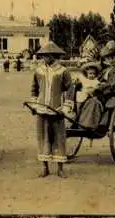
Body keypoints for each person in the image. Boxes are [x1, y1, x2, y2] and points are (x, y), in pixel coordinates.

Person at [30, 41, 76, 178]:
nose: (45, 58)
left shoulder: (63, 71)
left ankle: (60, 168)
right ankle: (45, 167)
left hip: (57, 108)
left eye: (47, 55)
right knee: (43, 137)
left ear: (53, 56)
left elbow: (70, 89)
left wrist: (66, 107)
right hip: (42, 108)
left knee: (59, 137)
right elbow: (34, 88)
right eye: (43, 55)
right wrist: (34, 105)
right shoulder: (38, 71)